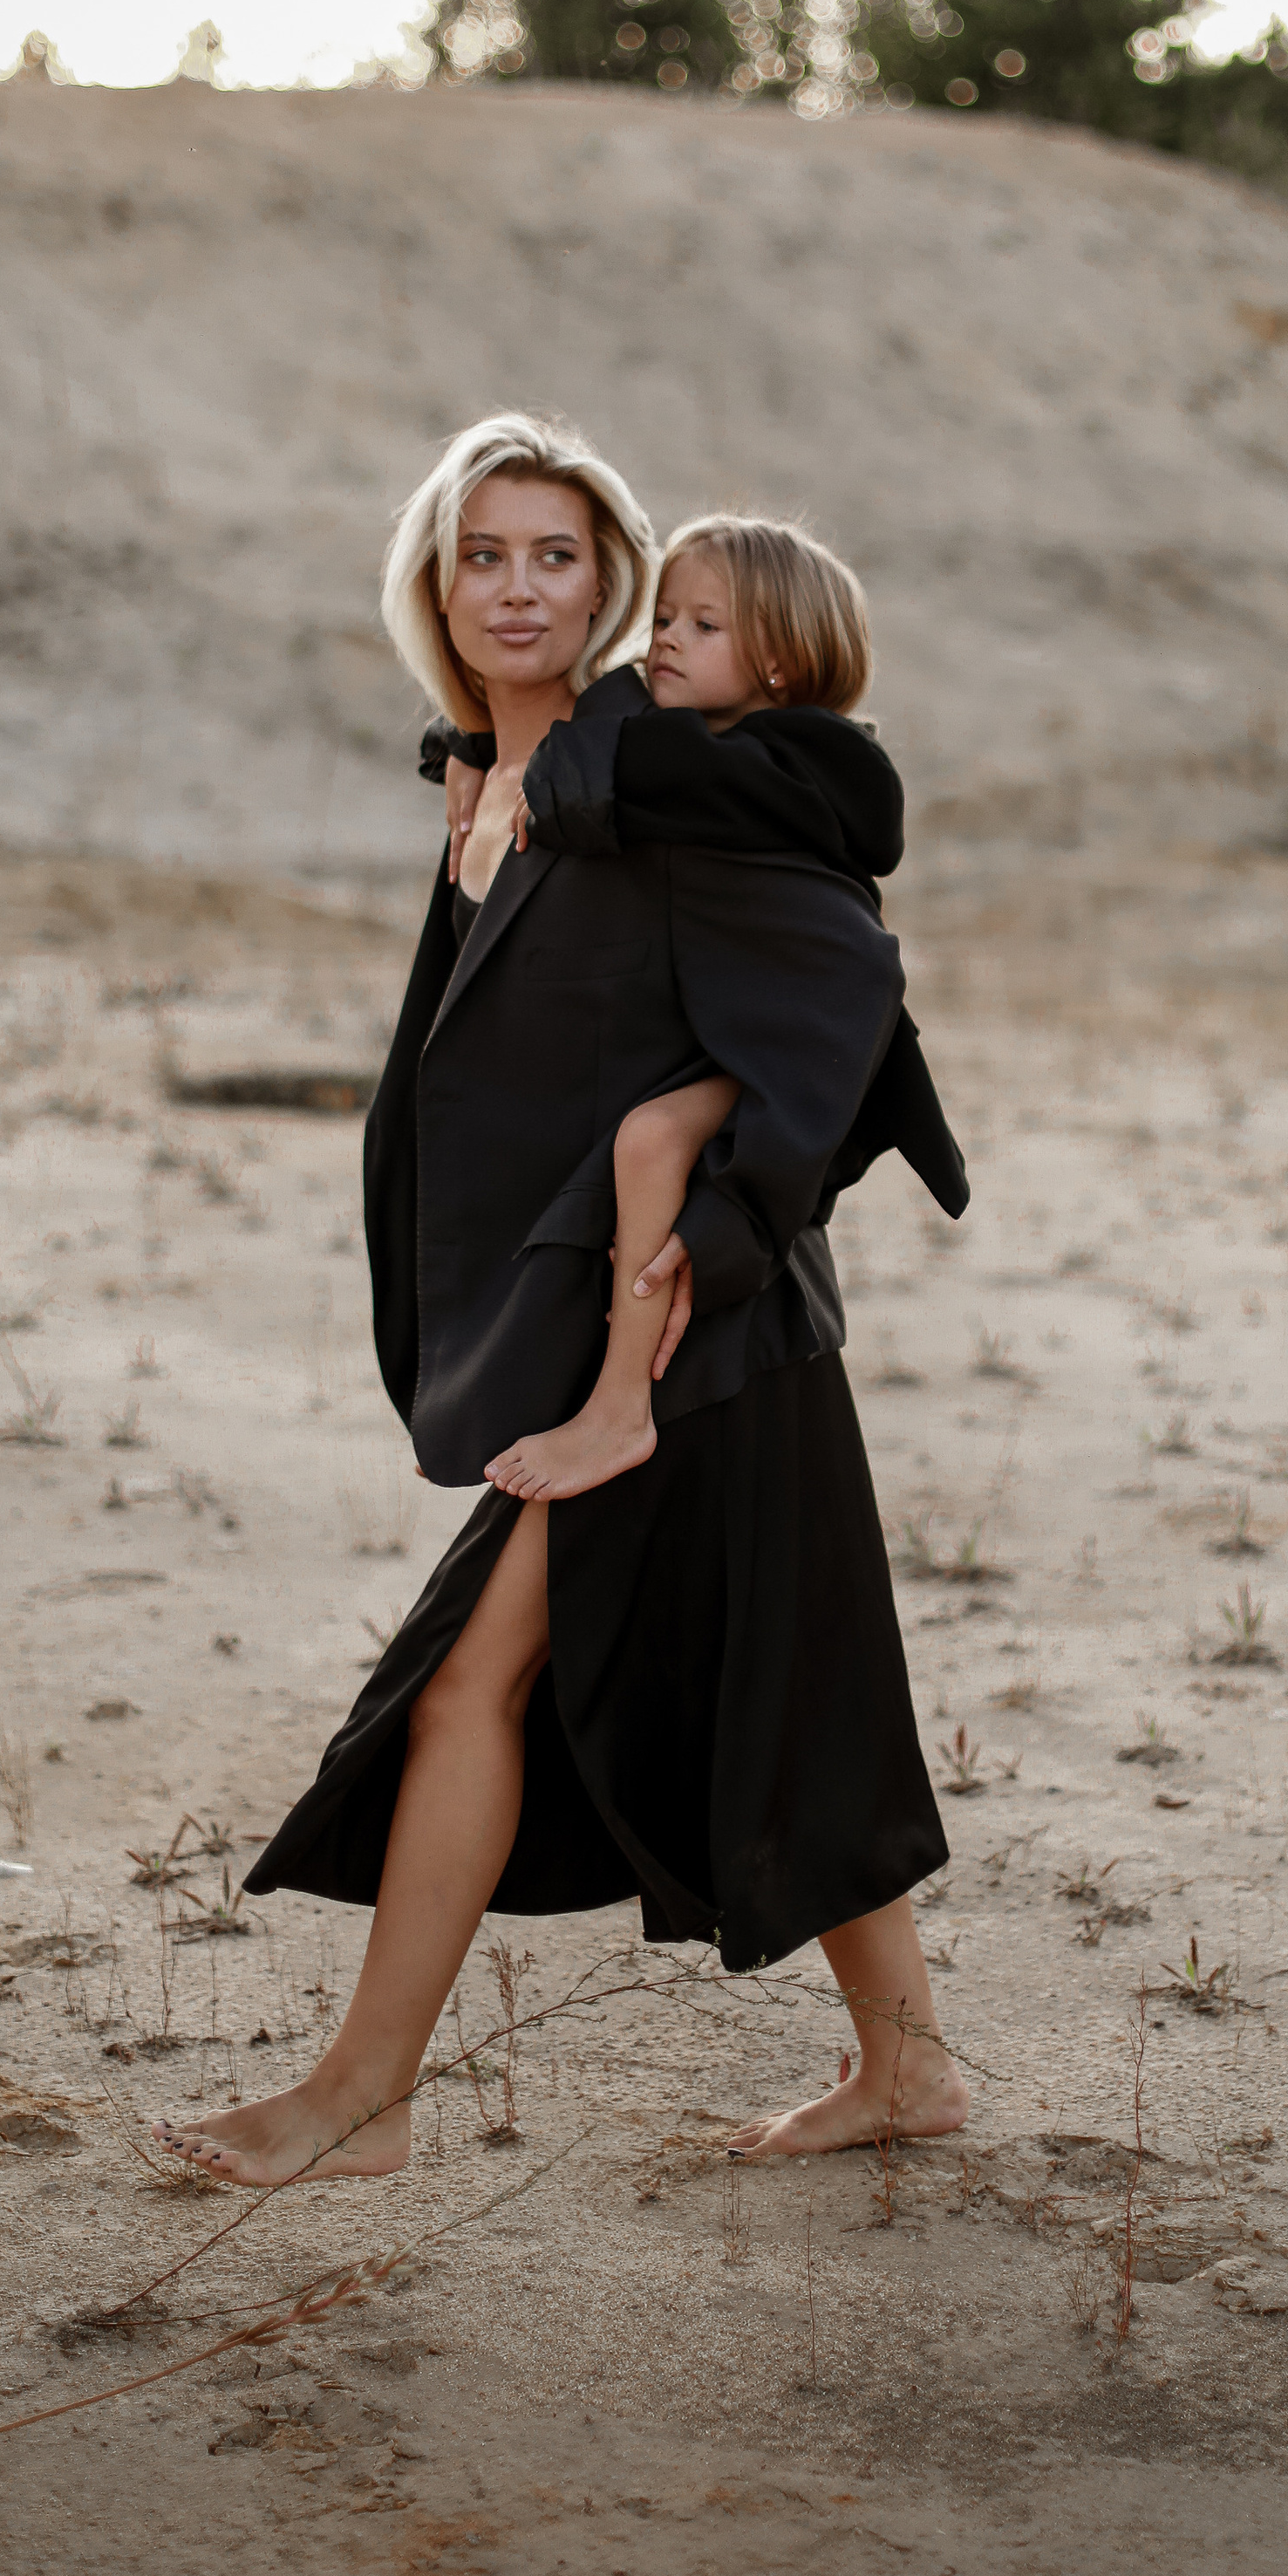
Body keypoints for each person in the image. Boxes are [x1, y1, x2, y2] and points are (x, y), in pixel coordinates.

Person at [151, 416, 970, 2190]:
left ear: (608, 585)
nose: (517, 588)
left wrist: (712, 1220)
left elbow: (843, 988)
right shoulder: (487, 792)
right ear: (433, 586)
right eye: (483, 554)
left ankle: (361, 2098)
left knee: (469, 1686)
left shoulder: (652, 775)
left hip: (692, 1334)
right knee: (785, 1692)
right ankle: (907, 2072)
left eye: (556, 556)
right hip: (633, 1334)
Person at [488, 511, 909, 1508]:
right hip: (743, 1040)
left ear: (782, 662)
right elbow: (608, 755)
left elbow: (623, 766)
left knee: (649, 1141)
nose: (665, 640)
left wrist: (559, 767)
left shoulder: (777, 774)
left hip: (789, 1058)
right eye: (664, 618)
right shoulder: (716, 763)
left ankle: (619, 1406)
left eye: (703, 626)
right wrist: (469, 747)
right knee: (638, 1140)